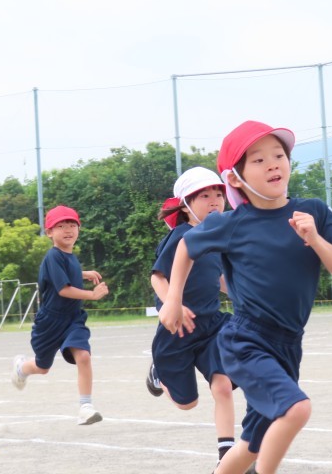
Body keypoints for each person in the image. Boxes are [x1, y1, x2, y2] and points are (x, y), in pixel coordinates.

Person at [158, 120, 332, 474]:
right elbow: (186, 245)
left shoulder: (314, 212)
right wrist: (173, 298)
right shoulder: (232, 223)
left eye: (279, 154)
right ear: (235, 178)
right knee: (296, 409)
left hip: (288, 343)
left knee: (252, 445)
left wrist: (315, 239)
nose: (272, 163)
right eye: (258, 159)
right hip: (246, 339)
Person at [146, 167, 237, 465]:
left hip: (212, 326)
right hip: (178, 329)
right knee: (188, 404)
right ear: (185, 204)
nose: (214, 201)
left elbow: (220, 280)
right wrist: (172, 301)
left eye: (219, 194)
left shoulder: (218, 239)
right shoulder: (181, 236)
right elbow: (157, 277)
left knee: (222, 384)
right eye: (204, 196)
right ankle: (158, 373)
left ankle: (227, 457)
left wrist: (247, 296)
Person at [11, 205, 109, 425]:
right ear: (49, 232)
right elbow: (63, 289)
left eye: (72, 225)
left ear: (78, 229)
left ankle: (85, 406)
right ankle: (21, 367)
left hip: (73, 318)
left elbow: (70, 274)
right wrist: (92, 294)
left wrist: (84, 273)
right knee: (42, 367)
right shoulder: (53, 256)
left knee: (83, 355)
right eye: (61, 226)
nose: (68, 230)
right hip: (50, 321)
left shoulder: (70, 256)